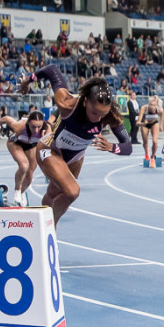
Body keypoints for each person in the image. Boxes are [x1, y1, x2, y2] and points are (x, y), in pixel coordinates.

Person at [27, 65, 132, 226]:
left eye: (103, 114)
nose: (98, 119)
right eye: (94, 112)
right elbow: (52, 70)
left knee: (54, 193)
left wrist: (111, 147)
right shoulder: (67, 103)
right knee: (72, 191)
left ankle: (39, 226)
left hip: (75, 158)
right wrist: (29, 80)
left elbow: (128, 147)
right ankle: (48, 228)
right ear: (85, 101)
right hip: (51, 149)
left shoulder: (110, 116)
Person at [0, 110, 50, 206]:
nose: (36, 130)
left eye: (39, 127)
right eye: (33, 127)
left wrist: (44, 139)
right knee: (24, 165)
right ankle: (17, 190)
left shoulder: (46, 129)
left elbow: (48, 148)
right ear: (28, 122)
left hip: (31, 145)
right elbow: (5, 118)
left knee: (30, 176)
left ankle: (22, 192)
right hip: (15, 143)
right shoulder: (20, 126)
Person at [137, 94, 163, 163]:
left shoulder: (159, 109)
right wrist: (143, 123)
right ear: (148, 104)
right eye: (151, 105)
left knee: (155, 141)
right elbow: (137, 122)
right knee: (145, 142)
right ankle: (146, 153)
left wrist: (161, 125)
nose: (153, 107)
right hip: (145, 124)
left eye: (154, 105)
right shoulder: (144, 108)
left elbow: (162, 115)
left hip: (154, 123)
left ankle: (153, 156)